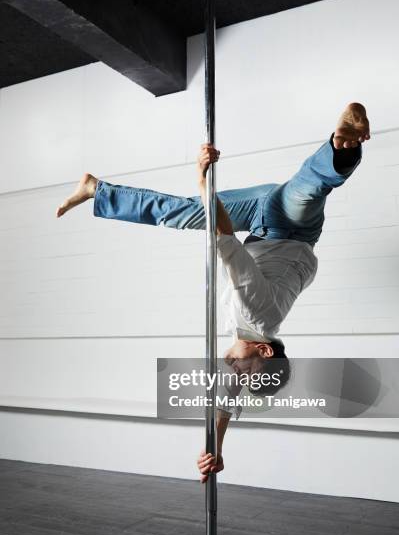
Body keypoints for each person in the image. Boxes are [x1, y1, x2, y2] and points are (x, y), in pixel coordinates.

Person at [56, 102, 370, 483]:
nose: (233, 371)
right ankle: (344, 145)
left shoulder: (248, 345)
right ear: (265, 351)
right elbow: (223, 237)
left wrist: (216, 451)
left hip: (258, 229)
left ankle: (96, 189)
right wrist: (204, 179)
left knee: (183, 214)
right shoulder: (254, 314)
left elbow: (226, 402)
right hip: (285, 225)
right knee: (308, 190)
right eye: (244, 371)